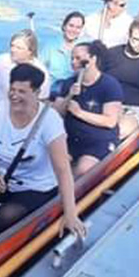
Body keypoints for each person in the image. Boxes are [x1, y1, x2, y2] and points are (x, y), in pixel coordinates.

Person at [0, 64, 86, 245]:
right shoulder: (0, 109)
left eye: (22, 91)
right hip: (3, 180)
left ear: (36, 92)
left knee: (4, 217)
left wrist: (71, 214)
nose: (14, 96)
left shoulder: (50, 121)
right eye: (12, 90)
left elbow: (63, 170)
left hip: (35, 187)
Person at [53, 41, 123, 176]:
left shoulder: (109, 85)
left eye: (78, 59)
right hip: (70, 139)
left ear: (93, 59)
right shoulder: (68, 83)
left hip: (98, 141)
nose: (73, 62)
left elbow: (110, 121)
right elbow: (57, 113)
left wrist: (79, 112)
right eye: (72, 58)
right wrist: (69, 96)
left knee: (82, 170)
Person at [0, 29, 51, 103]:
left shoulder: (41, 72)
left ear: (30, 51)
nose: (13, 50)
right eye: (12, 46)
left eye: (19, 48)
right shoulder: (2, 60)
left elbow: (42, 99)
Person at [41, 11, 85, 97]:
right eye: (71, 26)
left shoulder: (85, 45)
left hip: (75, 87)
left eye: (78, 27)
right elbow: (40, 66)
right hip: (53, 87)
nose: (73, 30)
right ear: (64, 26)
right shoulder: (51, 44)